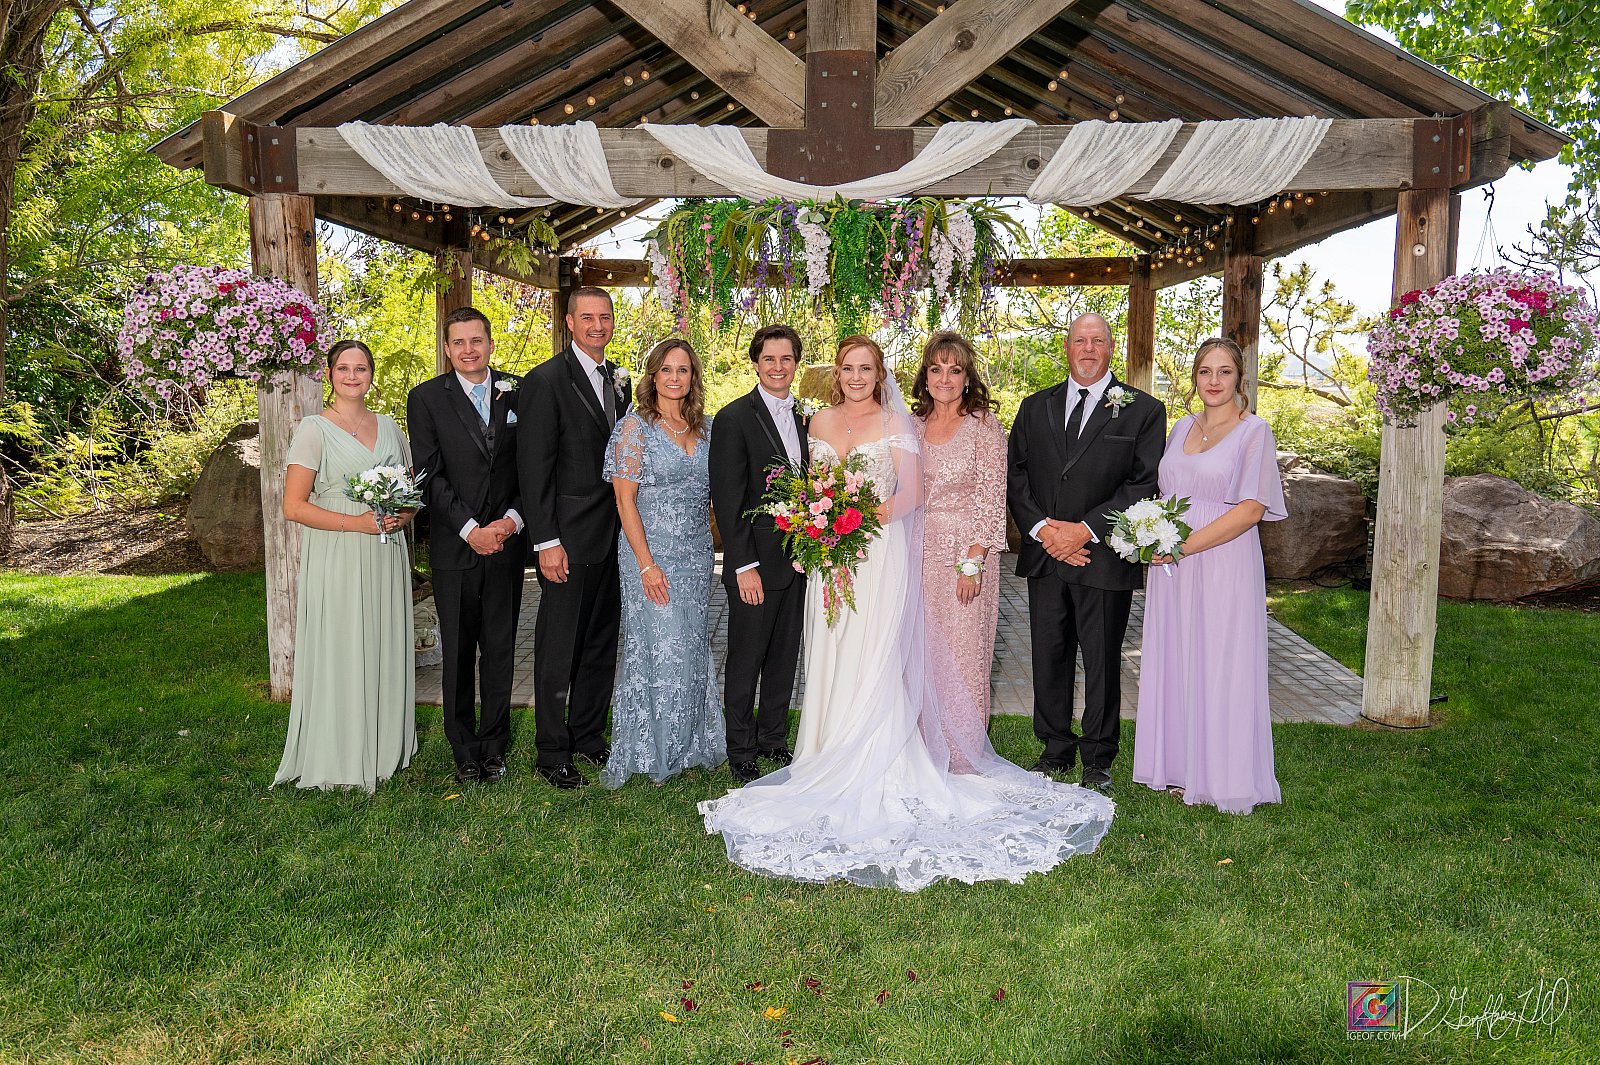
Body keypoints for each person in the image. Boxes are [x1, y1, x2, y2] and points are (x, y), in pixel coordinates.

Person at [699, 337, 1113, 891]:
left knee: (877, 654)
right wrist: (818, 526)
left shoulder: (900, 423)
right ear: (836, 373)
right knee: (831, 650)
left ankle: (912, 753)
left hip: (878, 551)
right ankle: (822, 750)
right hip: (830, 557)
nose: (856, 376)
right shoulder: (816, 422)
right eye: (847, 367)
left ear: (880, 374)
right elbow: (803, 489)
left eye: (866, 368)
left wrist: (852, 520)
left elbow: (913, 494)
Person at [1007, 313, 1166, 795]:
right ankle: (1054, 748)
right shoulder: (1034, 407)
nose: (1089, 349)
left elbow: (1143, 483)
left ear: (1111, 347)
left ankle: (1098, 756)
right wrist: (1044, 531)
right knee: (1049, 655)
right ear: (1067, 347)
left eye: (1098, 340)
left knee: (1101, 659)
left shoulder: (1143, 410)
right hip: (1046, 554)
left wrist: (1084, 531)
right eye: (1080, 340)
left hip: (1104, 555)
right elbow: (1016, 475)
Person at [1134, 338, 1287, 814]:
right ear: (1195, 378)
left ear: (1240, 378)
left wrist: (1182, 546)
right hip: (1172, 566)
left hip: (1222, 560)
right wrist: (1148, 535)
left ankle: (1222, 776)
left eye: (1224, 372)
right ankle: (1181, 768)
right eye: (1205, 372)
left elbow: (1251, 509)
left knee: (1220, 661)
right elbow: (1168, 492)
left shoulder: (1254, 431)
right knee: (1178, 655)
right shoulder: (1181, 426)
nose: (1214, 381)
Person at [275, 340, 416, 792]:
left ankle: (382, 746)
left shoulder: (390, 427)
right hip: (338, 550)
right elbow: (293, 507)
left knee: (381, 639)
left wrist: (402, 516)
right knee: (343, 641)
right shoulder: (314, 429)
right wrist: (355, 523)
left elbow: (410, 495)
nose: (352, 376)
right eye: (343, 368)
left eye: (361, 368)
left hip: (385, 552)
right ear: (329, 374)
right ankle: (340, 752)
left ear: (371, 375)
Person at [407, 307, 525, 785]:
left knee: (499, 649)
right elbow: (428, 475)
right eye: (459, 342)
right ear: (447, 348)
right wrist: (471, 529)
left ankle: (494, 748)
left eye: (477, 340)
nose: (469, 349)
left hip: (508, 544)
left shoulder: (518, 392)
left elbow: (534, 467)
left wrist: (511, 522)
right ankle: (464, 750)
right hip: (456, 548)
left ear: (490, 344)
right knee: (457, 652)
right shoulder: (426, 399)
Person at [518, 287, 630, 789]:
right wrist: (546, 541)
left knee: (600, 643)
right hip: (566, 537)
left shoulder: (620, 381)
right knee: (558, 648)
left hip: (613, 536)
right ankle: (551, 750)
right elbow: (533, 469)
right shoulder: (544, 381)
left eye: (605, 317)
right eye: (587, 317)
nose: (597, 325)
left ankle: (587, 735)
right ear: (569, 322)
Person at [601, 339, 726, 787]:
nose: (675, 377)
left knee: (691, 646)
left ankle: (692, 742)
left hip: (696, 555)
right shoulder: (634, 429)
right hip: (649, 554)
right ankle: (653, 747)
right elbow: (624, 501)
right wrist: (646, 565)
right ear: (653, 376)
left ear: (693, 377)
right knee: (660, 648)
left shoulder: (706, 428)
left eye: (683, 370)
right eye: (666, 370)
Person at [708, 323, 809, 783]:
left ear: (796, 363)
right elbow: (728, 501)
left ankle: (772, 738)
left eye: (786, 358)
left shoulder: (805, 418)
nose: (778, 367)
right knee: (746, 659)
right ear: (755, 363)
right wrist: (742, 566)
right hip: (754, 564)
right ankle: (741, 749)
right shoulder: (733, 419)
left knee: (784, 657)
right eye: (769, 358)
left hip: (797, 560)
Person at [911, 332, 1009, 765]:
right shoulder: (912, 425)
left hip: (965, 555)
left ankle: (961, 754)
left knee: (964, 654)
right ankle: (920, 748)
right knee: (922, 651)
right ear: (925, 376)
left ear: (968, 377)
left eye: (955, 370)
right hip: (918, 551)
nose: (945, 379)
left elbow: (992, 497)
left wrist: (973, 563)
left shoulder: (983, 426)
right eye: (936, 369)